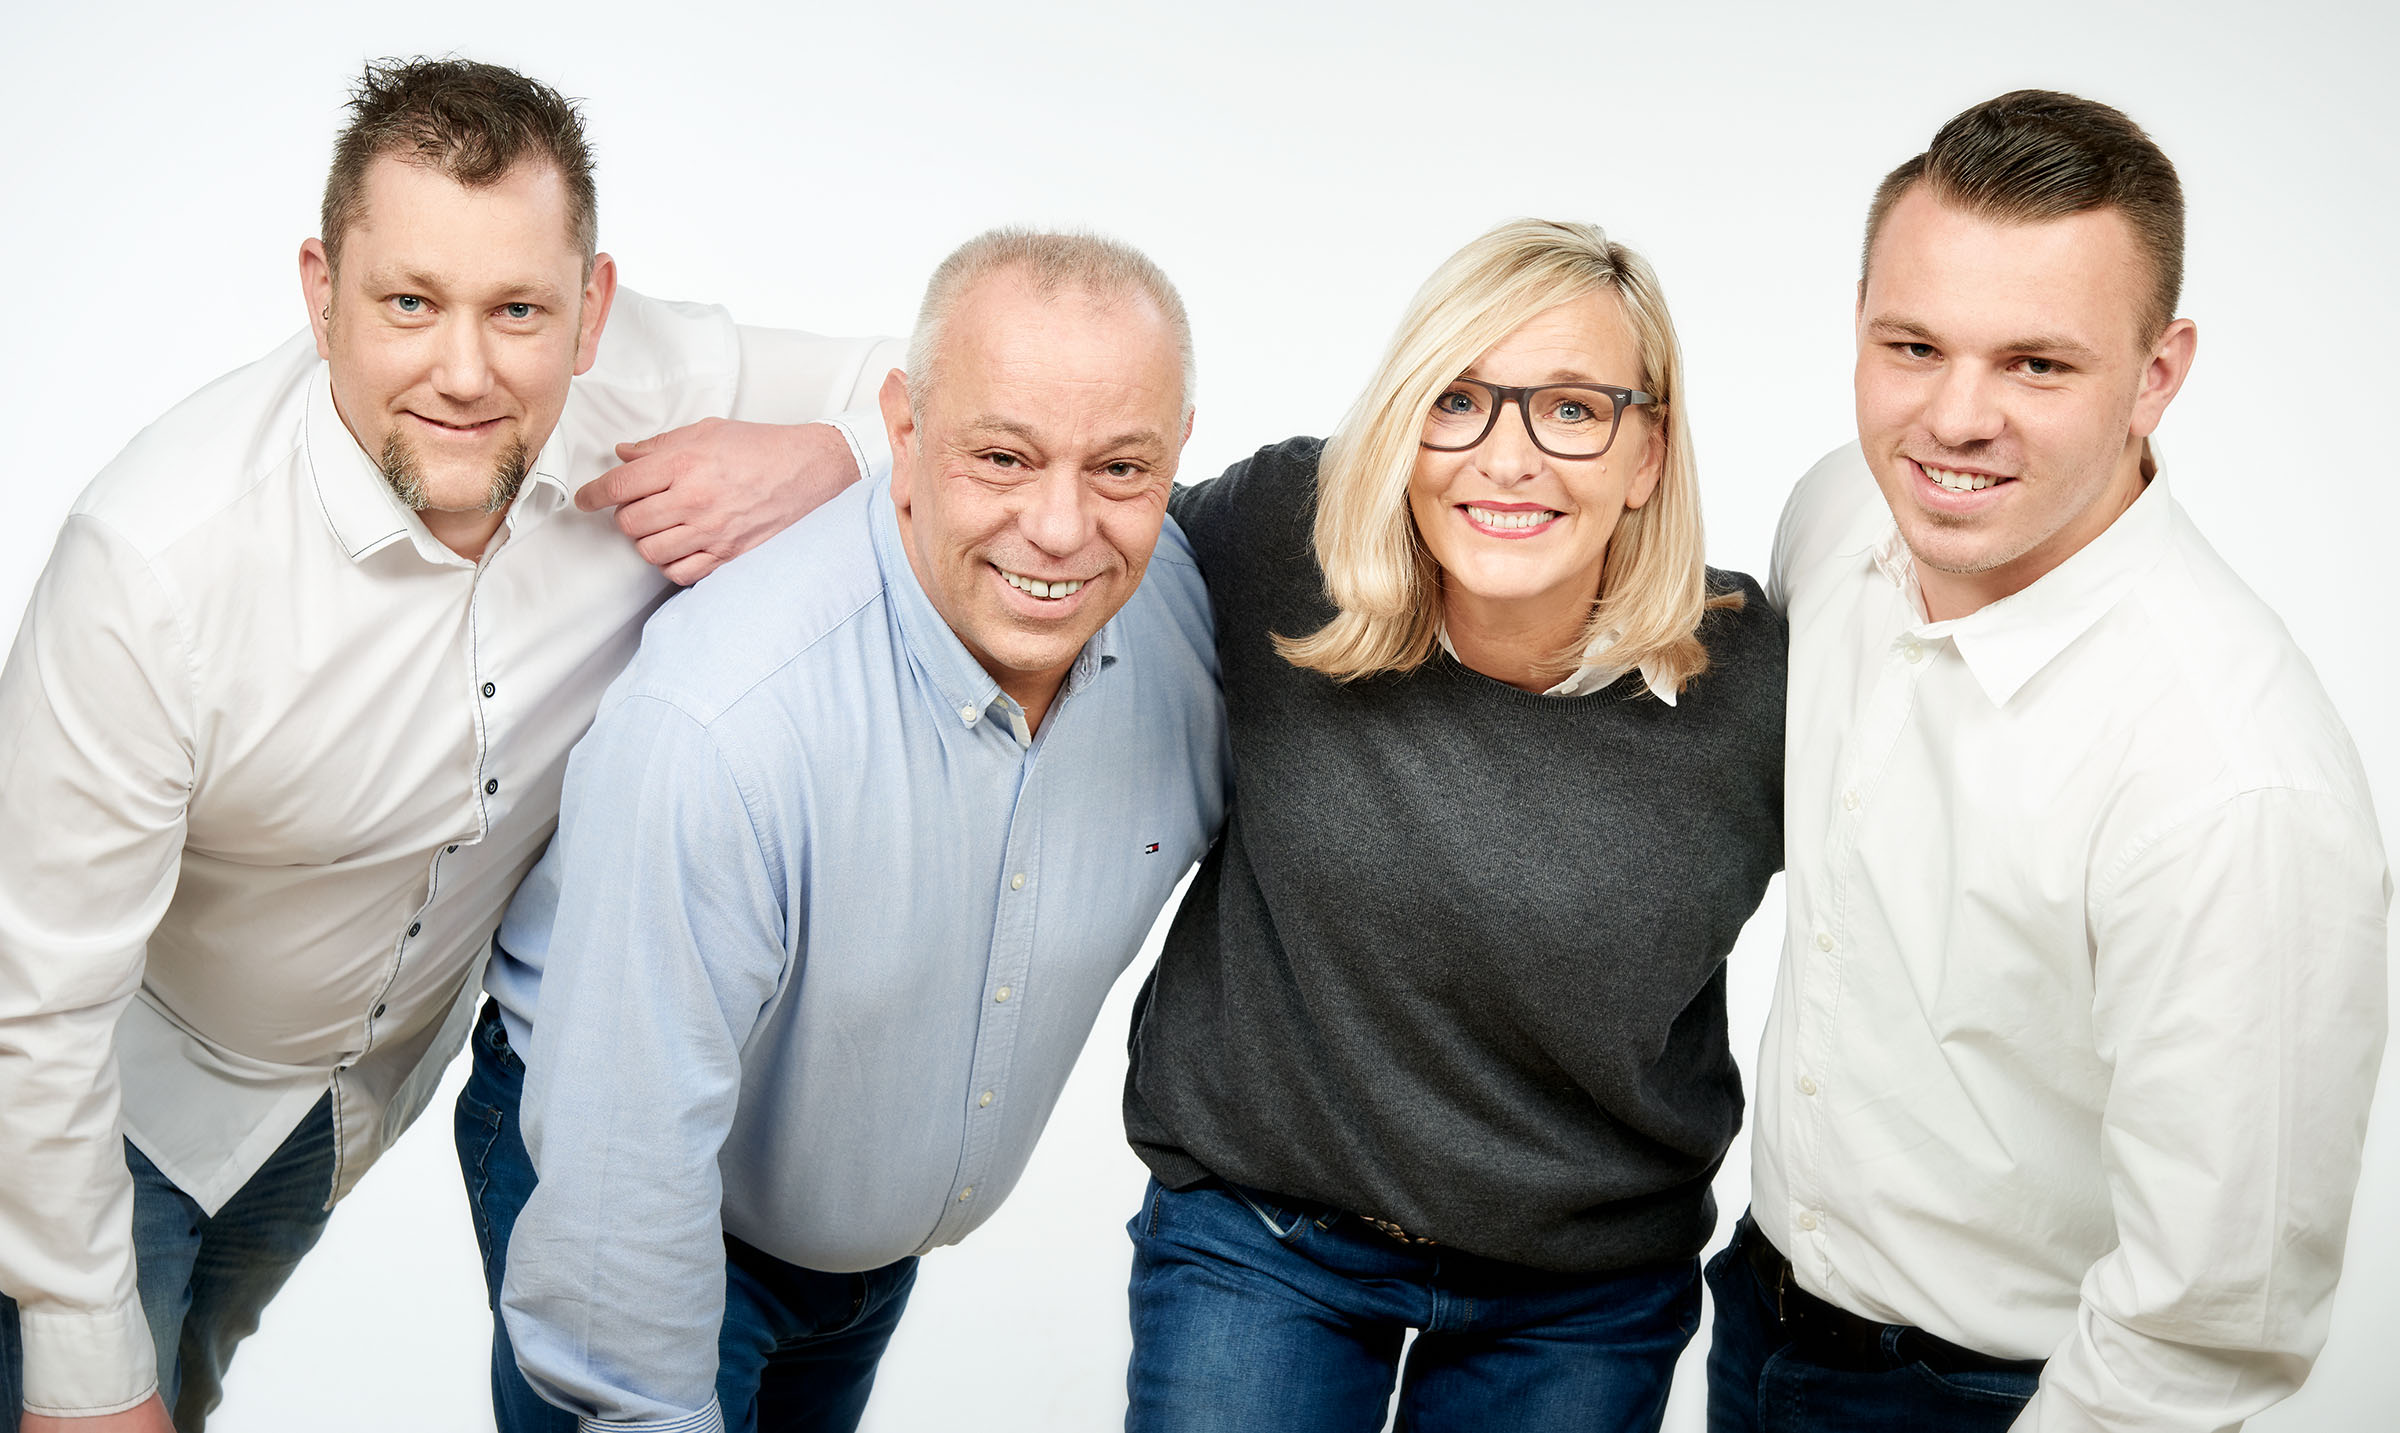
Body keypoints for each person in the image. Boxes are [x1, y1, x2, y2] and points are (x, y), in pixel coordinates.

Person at [0, 57, 899, 1433]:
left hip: (352, 1103)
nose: (466, 371)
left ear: (593, 309)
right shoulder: (154, 567)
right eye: (409, 303)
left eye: (519, 309)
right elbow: (31, 1011)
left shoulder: (653, 377)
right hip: (93, 1120)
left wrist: (828, 454)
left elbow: (957, 404)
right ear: (320, 291)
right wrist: (80, 1374)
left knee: (188, 1390)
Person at [1706, 90, 2391, 1433]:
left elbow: (2208, 1320)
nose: (1955, 420)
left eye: (2037, 364)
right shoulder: (1837, 514)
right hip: (1761, 1315)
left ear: (2159, 375)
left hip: (2000, 1396)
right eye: (1913, 345)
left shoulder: (2234, 782)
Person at [472, 228, 1228, 1433]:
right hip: (635, 1168)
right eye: (1002, 455)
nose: (1059, 526)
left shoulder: (1192, 629)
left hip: (856, 1260)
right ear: (904, 431)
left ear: (1179, 452)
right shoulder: (725, 724)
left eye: (1122, 468)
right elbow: (624, 1186)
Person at [1119, 218, 1786, 1432]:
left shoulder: (1760, 686)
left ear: (1650, 450)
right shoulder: (1282, 533)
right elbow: (1060, 484)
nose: (1508, 457)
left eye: (1574, 409)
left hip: (1580, 1285)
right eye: (1459, 400)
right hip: (1265, 1232)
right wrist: (831, 450)